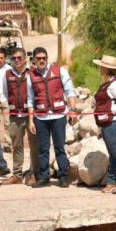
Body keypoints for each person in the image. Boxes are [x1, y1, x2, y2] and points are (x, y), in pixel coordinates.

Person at [26, 47, 77, 188]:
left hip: (58, 116)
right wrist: (31, 120)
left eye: (44, 58)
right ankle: (44, 177)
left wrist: (72, 110)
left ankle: (63, 176)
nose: (42, 60)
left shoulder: (60, 71)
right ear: (34, 60)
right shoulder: (30, 77)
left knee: (60, 147)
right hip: (41, 118)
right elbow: (30, 100)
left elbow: (70, 91)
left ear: (47, 58)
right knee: (43, 148)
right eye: (39, 58)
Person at [92, 54, 116, 194]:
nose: (100, 68)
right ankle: (111, 181)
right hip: (105, 122)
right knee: (112, 154)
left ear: (107, 69)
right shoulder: (106, 84)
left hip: (114, 122)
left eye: (102, 66)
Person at [1, 48, 39, 185]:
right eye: (14, 58)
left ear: (24, 59)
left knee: (34, 146)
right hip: (14, 116)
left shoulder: (32, 72)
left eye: (19, 58)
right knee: (16, 145)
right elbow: (4, 93)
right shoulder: (7, 74)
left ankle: (34, 173)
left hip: (30, 116)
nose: (16, 60)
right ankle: (17, 174)